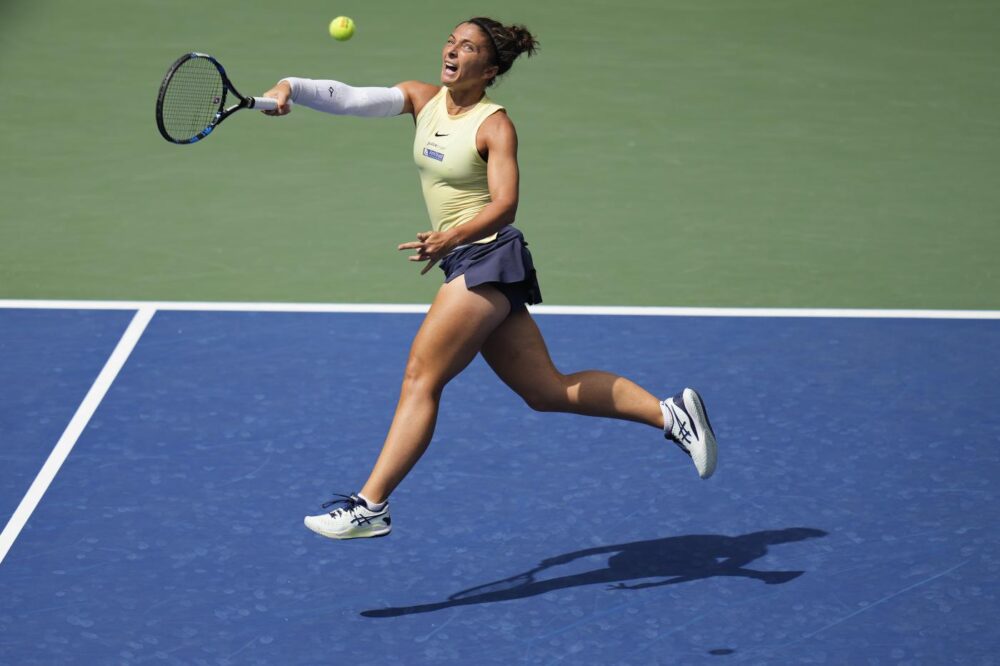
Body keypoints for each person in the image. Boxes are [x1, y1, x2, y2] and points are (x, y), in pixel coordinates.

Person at [260, 17, 718, 540]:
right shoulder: (421, 99)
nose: (453, 50)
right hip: (469, 261)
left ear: (491, 68)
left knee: (421, 377)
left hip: (486, 257)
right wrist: (290, 87)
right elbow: (349, 98)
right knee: (546, 390)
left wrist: (450, 237)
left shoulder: (493, 125)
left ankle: (371, 503)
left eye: (469, 47)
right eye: (452, 41)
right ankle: (671, 415)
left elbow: (505, 203)